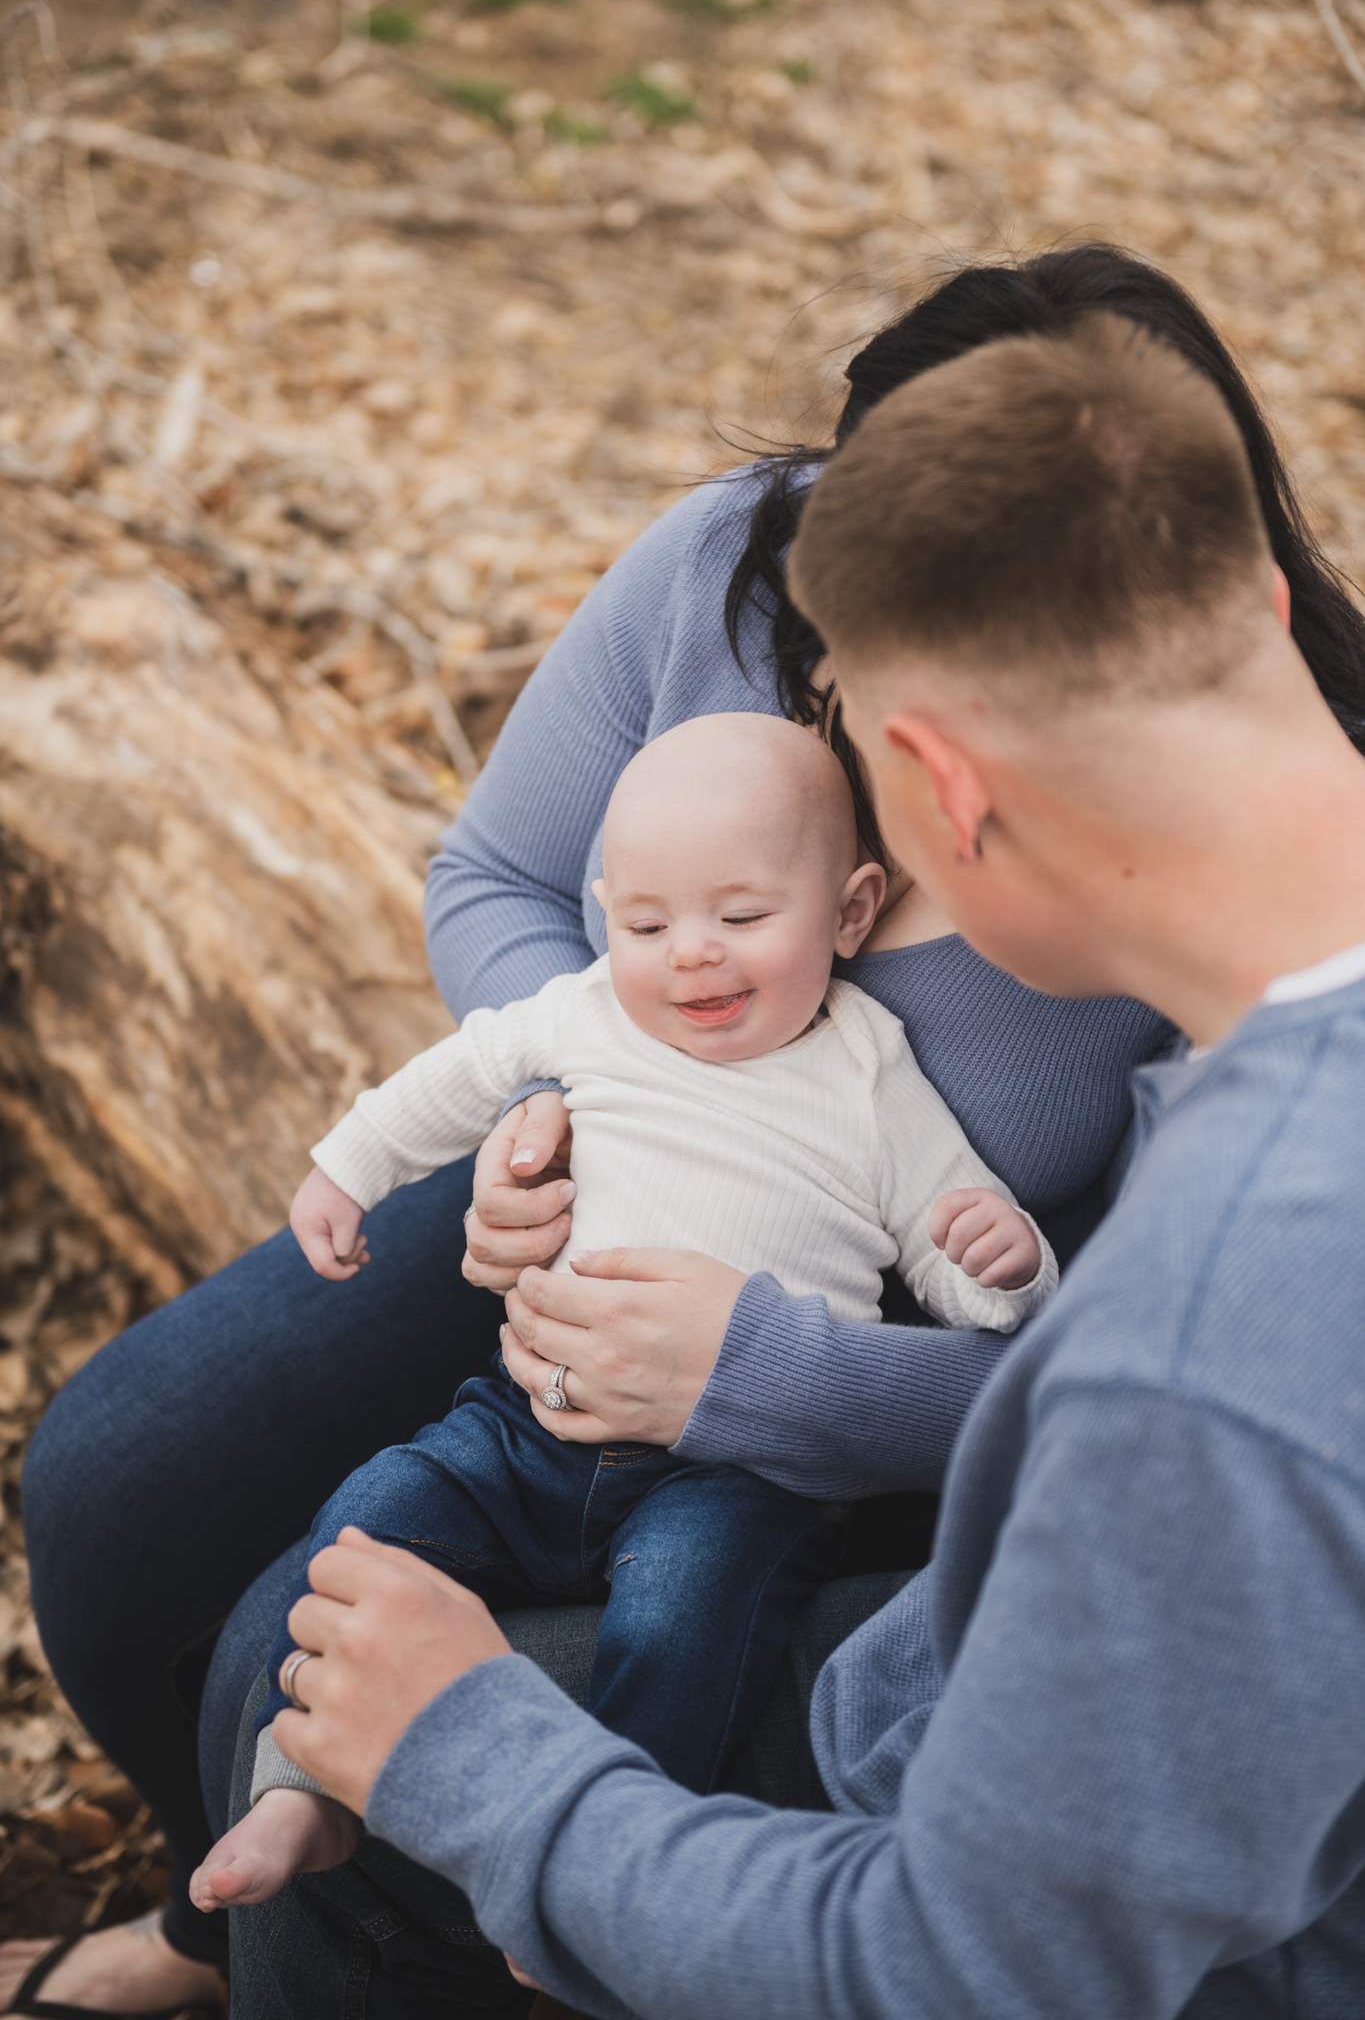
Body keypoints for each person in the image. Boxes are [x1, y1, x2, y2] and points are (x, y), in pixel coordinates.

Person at [2, 242, 1359, 2015]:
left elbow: (969, 1942)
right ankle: (234, 1916)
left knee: (295, 1664)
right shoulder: (1248, 1139)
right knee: (143, 1496)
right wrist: (582, 1117)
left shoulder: (1190, 1334)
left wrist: (494, 1762)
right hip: (625, 1220)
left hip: (861, 1384)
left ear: (932, 795)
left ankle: (310, 1917)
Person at [191, 713, 1055, 1917]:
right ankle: (305, 1780)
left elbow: (948, 1220)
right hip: (529, 1426)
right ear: (606, 914)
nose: (691, 955)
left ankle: (611, 1876)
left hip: (743, 1469)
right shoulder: (587, 1009)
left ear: (852, 913)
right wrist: (349, 1165)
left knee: (685, 1615)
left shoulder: (867, 1064)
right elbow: (455, 1073)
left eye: (742, 918)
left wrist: (997, 1265)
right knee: (373, 1513)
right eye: (647, 923)